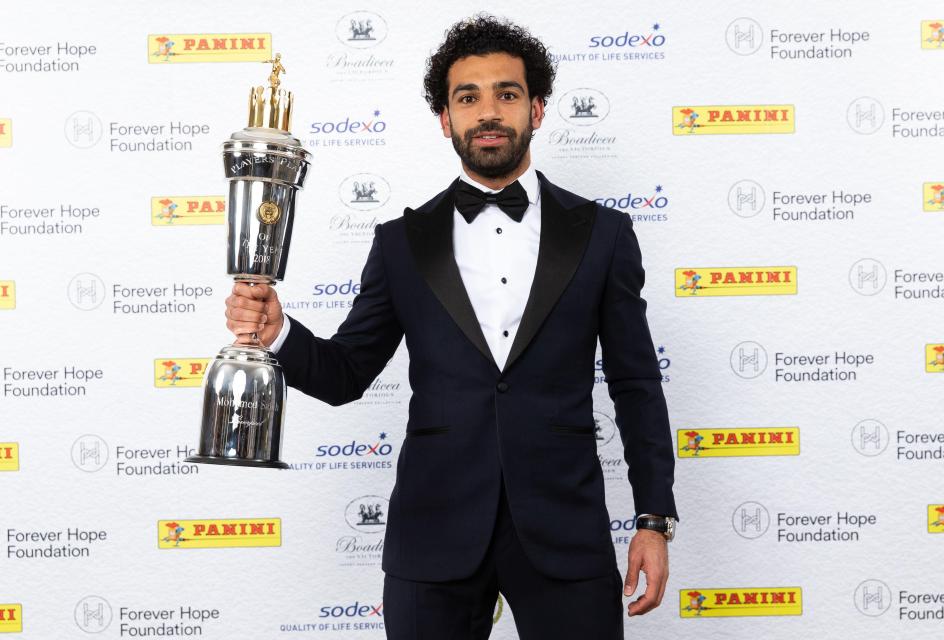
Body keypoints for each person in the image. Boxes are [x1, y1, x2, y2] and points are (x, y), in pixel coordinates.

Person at [225, 15, 678, 640]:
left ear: (538, 109)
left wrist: (653, 520)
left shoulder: (603, 236)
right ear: (445, 118)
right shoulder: (401, 243)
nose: (488, 111)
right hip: (431, 535)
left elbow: (636, 385)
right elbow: (346, 375)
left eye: (507, 93)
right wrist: (279, 334)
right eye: (468, 97)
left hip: (564, 533)